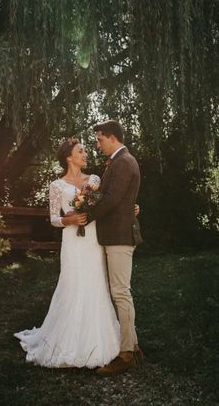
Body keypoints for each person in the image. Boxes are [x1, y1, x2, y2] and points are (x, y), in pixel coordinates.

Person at [13, 138, 121, 368]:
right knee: (72, 283)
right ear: (68, 157)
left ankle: (97, 339)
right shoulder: (56, 186)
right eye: (80, 151)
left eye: (85, 151)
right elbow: (53, 219)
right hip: (72, 240)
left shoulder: (94, 179)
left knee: (95, 283)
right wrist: (69, 219)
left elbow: (106, 204)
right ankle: (66, 340)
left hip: (92, 239)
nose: (86, 154)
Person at [91, 120, 144, 376]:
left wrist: (84, 213)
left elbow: (111, 200)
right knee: (120, 292)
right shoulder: (120, 161)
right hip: (116, 234)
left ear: (112, 138)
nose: (97, 144)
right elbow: (121, 199)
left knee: (121, 293)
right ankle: (132, 344)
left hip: (120, 236)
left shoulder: (123, 162)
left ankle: (126, 355)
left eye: (99, 139)